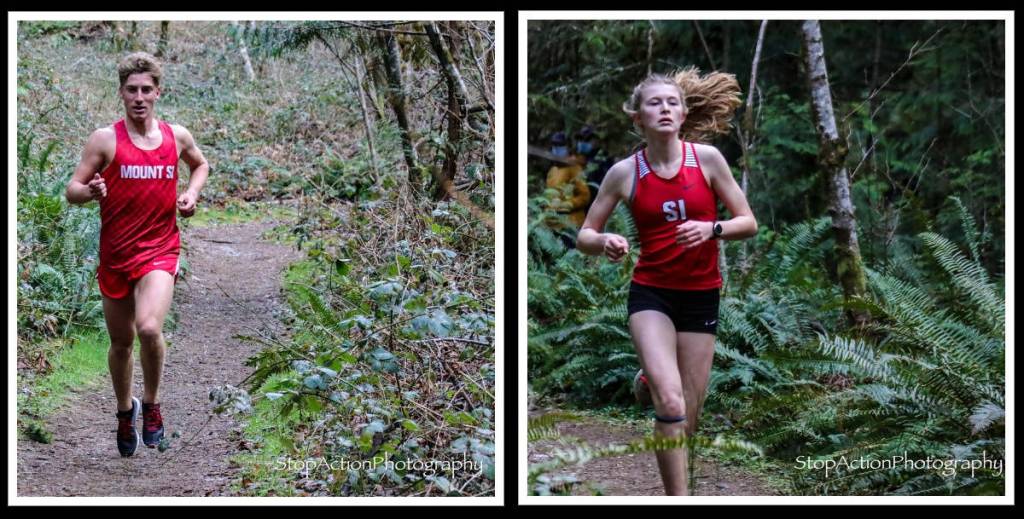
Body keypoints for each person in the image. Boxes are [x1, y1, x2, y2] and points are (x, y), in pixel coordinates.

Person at [576, 68, 756, 495]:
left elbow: (748, 222)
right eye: (654, 103)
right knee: (671, 404)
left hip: (701, 296)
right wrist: (604, 241)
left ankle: (649, 379)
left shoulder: (707, 160)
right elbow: (585, 234)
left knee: (687, 419)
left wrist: (711, 229)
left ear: (683, 114)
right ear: (637, 117)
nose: (664, 109)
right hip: (652, 294)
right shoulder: (625, 172)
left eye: (672, 102)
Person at [65, 51, 210, 457]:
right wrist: (90, 191)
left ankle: (152, 404)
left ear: (158, 92)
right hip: (116, 255)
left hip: (160, 249)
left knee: (148, 328)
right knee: (121, 342)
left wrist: (191, 193)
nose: (139, 97)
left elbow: (200, 165)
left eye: (147, 89)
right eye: (132, 90)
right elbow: (72, 190)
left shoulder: (175, 137)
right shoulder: (105, 140)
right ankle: (124, 410)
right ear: (122, 93)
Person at [543, 131, 590, 248]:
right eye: (554, 146)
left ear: (567, 148)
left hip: (571, 225)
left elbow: (585, 196)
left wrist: (568, 204)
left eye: (560, 146)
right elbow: (549, 196)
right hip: (553, 226)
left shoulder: (575, 168)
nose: (556, 149)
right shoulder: (553, 170)